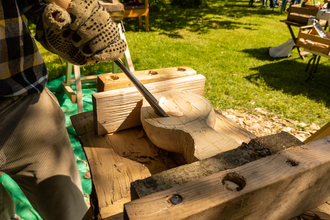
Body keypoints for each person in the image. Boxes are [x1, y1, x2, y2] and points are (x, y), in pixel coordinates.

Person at [0, 0, 126, 219]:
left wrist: (59, 21)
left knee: (73, 215)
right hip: (25, 105)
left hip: (25, 111)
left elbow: (36, 7)